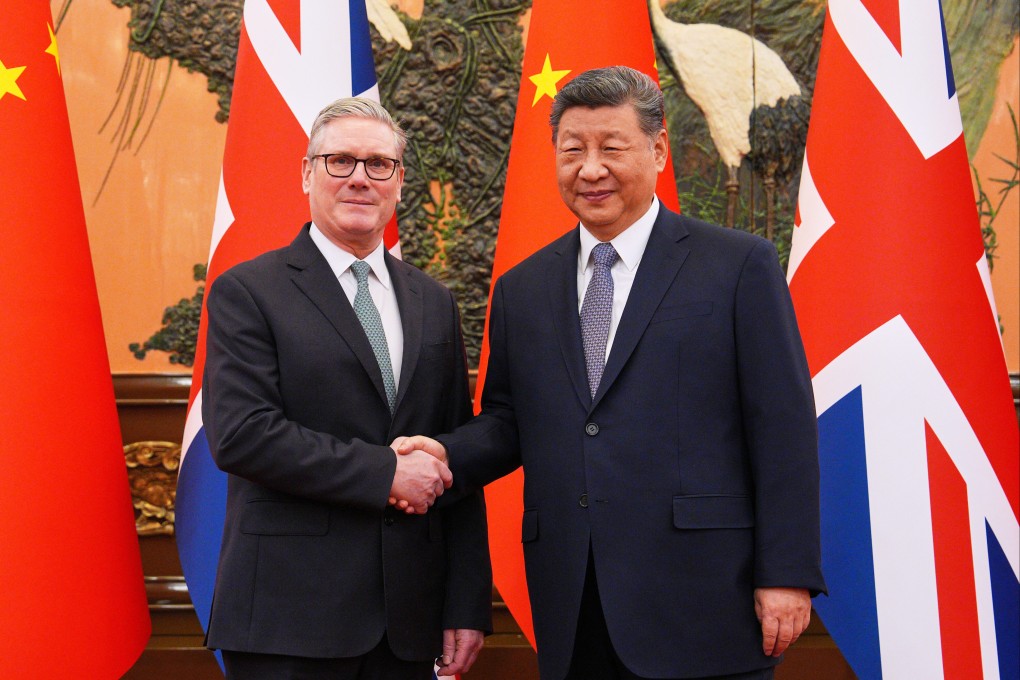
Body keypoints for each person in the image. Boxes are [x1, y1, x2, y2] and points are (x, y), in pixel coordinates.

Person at [397, 66, 826, 680]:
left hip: (706, 600)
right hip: (574, 600)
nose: (590, 168)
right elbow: (511, 421)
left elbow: (782, 428)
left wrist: (786, 574)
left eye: (611, 148)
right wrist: (442, 453)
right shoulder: (523, 288)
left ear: (657, 150)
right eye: (572, 150)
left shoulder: (736, 267)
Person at [201, 97, 491, 679]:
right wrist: (386, 473)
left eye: (378, 164)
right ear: (308, 173)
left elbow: (451, 453)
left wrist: (466, 603)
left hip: (408, 621)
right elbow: (242, 436)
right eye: (340, 161)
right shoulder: (249, 291)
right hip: (290, 617)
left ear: (399, 182)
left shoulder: (434, 302)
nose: (360, 177)